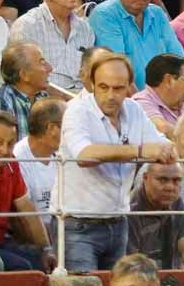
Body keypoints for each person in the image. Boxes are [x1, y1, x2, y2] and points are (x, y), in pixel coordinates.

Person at [59, 53, 176, 270]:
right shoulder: (76, 110)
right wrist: (139, 151)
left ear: (129, 87)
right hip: (78, 224)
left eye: (118, 88)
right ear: (92, 84)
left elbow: (161, 144)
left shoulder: (133, 109)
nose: (110, 95)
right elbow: (84, 155)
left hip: (119, 221)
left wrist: (167, 149)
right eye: (103, 87)